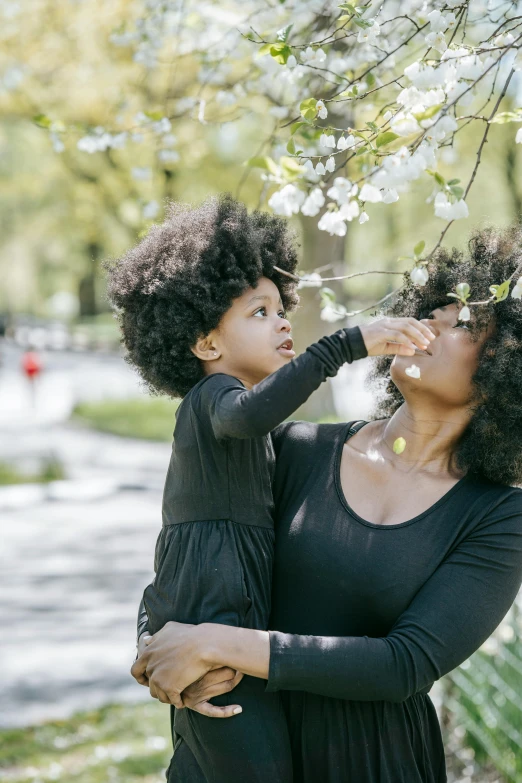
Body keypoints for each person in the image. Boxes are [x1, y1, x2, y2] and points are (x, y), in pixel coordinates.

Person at [133, 224, 522, 783]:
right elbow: (192, 550)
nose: (429, 323)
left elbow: (403, 665)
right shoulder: (295, 448)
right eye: (434, 310)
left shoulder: (498, 517)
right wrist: (158, 646)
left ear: (503, 373)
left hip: (368, 761)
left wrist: (220, 643)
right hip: (242, 735)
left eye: (461, 325)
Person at [107, 194, 435, 783]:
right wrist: (343, 345)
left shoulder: (265, 436)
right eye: (259, 312)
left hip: (236, 633)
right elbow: (250, 415)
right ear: (206, 344)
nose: (283, 319)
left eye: (282, 307)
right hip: (205, 619)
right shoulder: (214, 404)